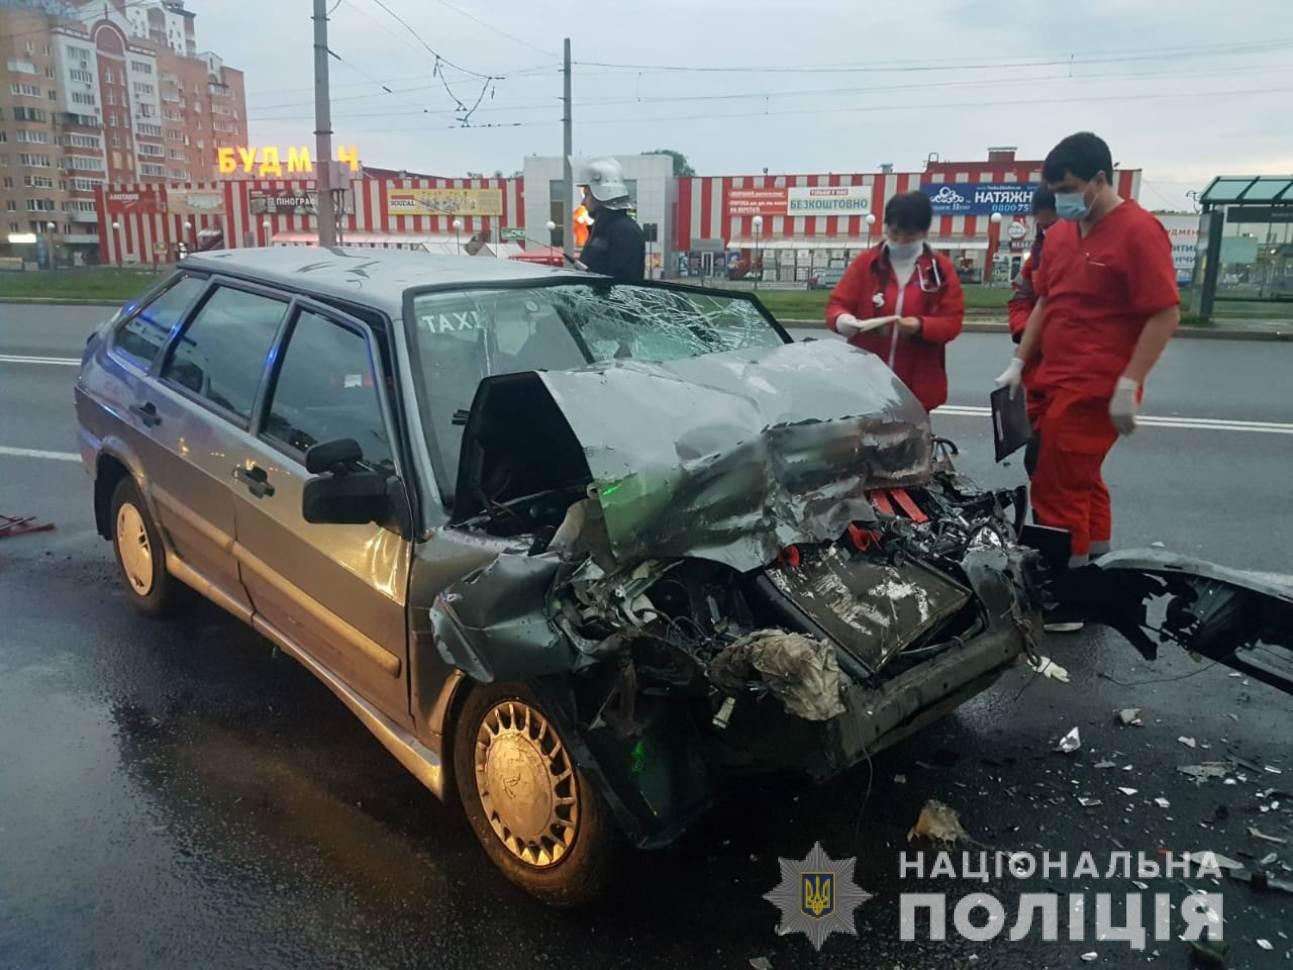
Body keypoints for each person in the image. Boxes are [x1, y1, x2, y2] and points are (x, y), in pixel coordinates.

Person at [995, 131, 1179, 577]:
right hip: (1053, 379)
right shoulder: (1060, 236)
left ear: (1099, 180)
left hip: (1095, 387)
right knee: (1082, 480)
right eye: (1055, 192)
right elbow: (1045, 301)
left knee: (1056, 486)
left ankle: (1067, 590)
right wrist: (1020, 363)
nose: (1061, 201)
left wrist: (1129, 382)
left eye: (1067, 190)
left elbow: (1164, 313)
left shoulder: (1138, 231)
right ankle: (1096, 564)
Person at [825, 191, 965, 412]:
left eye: (909, 236)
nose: (900, 241)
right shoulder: (866, 263)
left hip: (916, 384)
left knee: (910, 442)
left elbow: (952, 322)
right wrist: (843, 320)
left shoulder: (940, 269)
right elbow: (836, 305)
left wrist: (920, 326)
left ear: (924, 233)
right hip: (865, 383)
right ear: (886, 228)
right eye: (894, 233)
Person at [1007, 187, 1059, 432]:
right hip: (1036, 367)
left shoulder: (1085, 257)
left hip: (1066, 368)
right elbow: (1020, 300)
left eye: (1053, 224)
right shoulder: (1035, 260)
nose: (1049, 232)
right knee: (1036, 450)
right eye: (1043, 226)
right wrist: (1026, 332)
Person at [578, 157, 645, 282]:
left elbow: (624, 283)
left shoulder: (625, 232)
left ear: (603, 192)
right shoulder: (602, 229)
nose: (583, 202)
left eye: (587, 195)